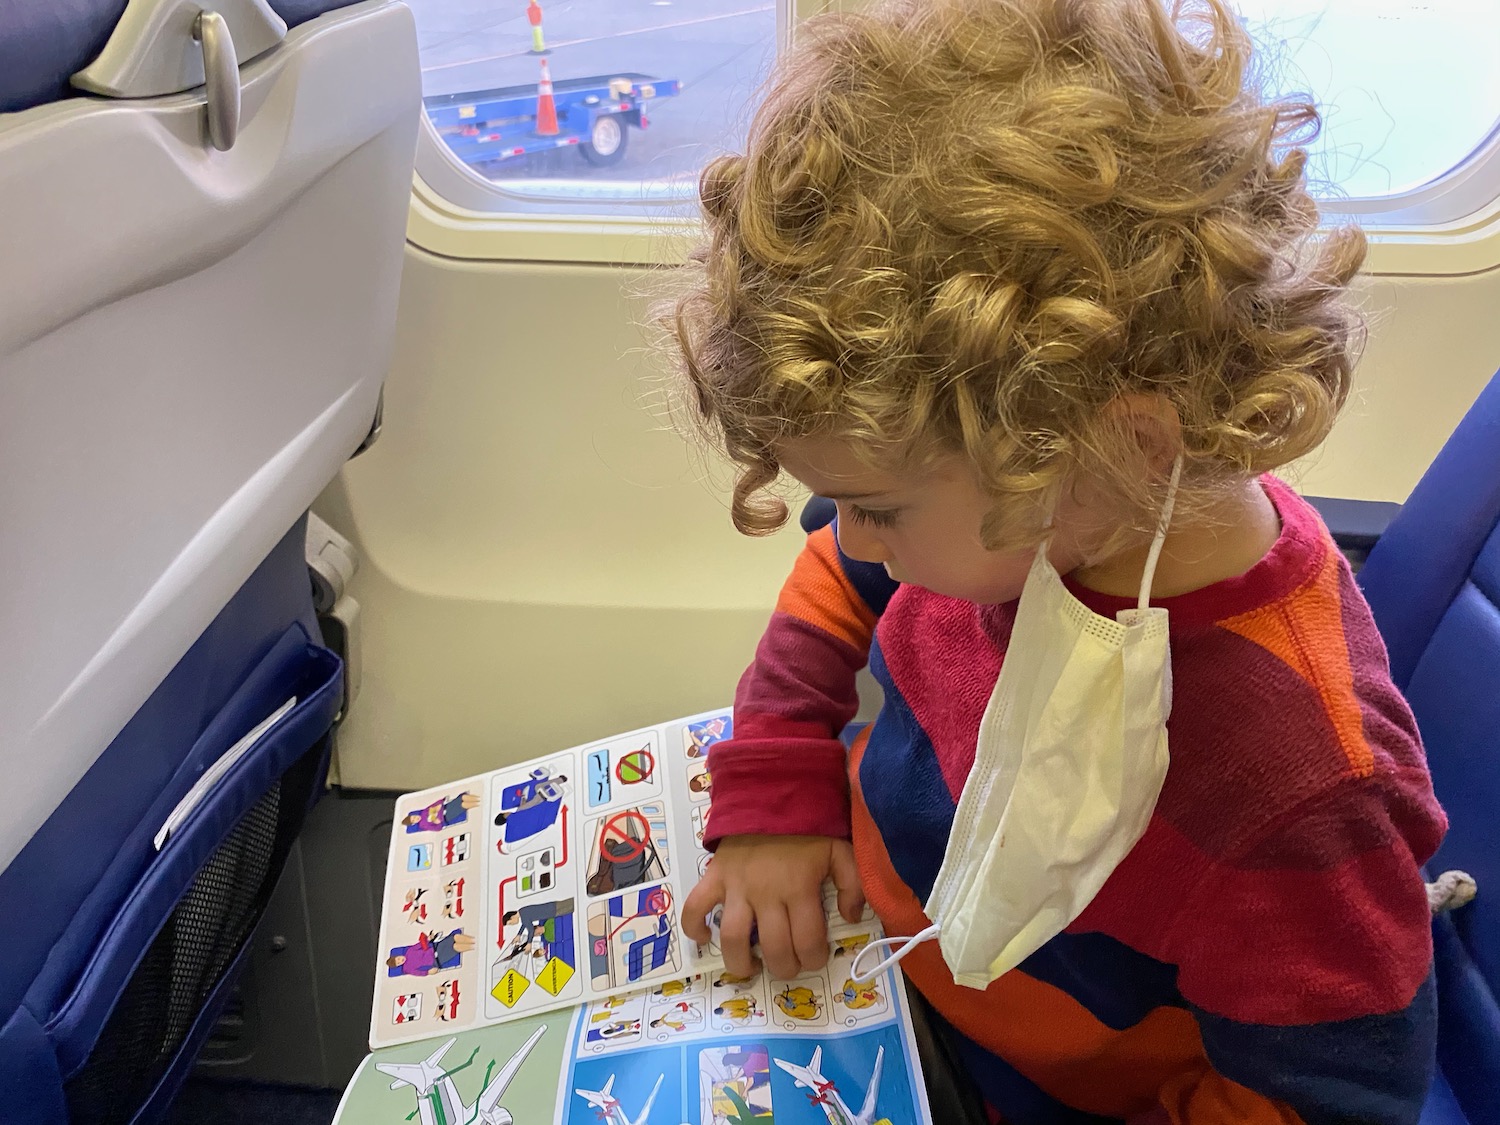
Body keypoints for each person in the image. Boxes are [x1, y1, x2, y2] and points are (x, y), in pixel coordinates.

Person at [661, 0, 1447, 1120]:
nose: (851, 534)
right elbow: (836, 582)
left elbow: (1316, 1103)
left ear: (1117, 443)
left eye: (877, 505)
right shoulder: (1055, 509)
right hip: (888, 957)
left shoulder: (1300, 788)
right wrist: (781, 789)